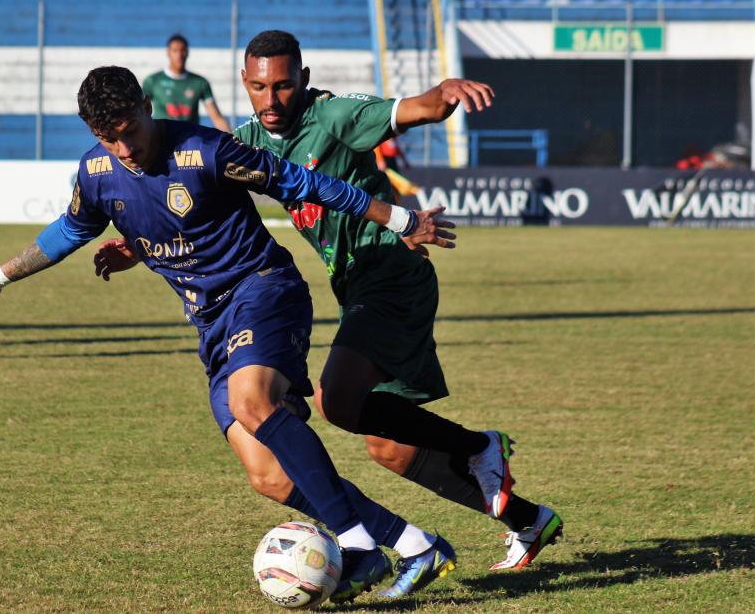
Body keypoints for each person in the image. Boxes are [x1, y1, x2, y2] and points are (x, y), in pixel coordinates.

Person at [0, 66, 460, 603]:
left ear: (147, 106)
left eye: (130, 129)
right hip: (211, 323)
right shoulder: (96, 174)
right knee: (268, 475)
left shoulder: (208, 150)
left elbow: (302, 181)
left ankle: (359, 544)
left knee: (253, 404)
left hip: (263, 289)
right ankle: (412, 542)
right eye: (109, 138)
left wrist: (395, 218)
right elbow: (68, 231)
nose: (125, 147)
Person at [97, 31, 563, 588]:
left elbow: (414, 108)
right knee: (388, 447)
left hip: (392, 275)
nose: (272, 100)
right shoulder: (249, 141)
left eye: (284, 85)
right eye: (259, 87)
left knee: (336, 399)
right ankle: (527, 518)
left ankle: (477, 448)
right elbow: (200, 198)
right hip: (352, 287)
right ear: (245, 85)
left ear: (304, 78)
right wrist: (137, 244)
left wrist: (447, 91)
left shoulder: (334, 116)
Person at [142, 34, 231, 132]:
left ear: (187, 52)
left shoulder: (200, 82)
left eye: (182, 50)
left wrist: (233, 139)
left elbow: (216, 117)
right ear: (168, 53)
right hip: (161, 139)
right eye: (175, 51)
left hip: (190, 140)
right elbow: (140, 113)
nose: (179, 55)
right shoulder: (153, 81)